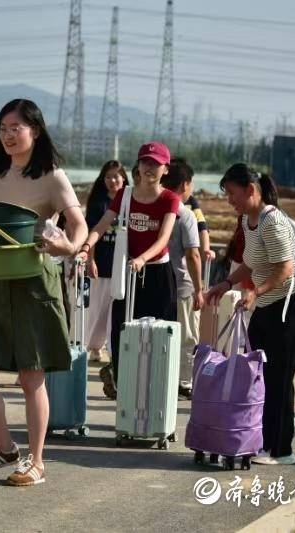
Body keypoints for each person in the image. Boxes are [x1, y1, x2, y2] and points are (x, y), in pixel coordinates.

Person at [0, 99, 87, 487]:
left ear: (35, 130)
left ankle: (36, 462)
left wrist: (69, 248)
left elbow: (78, 224)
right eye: (2, 128)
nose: (7, 135)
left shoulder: (53, 176)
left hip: (35, 282)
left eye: (15, 128)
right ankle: (5, 447)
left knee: (30, 379)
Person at [207, 164, 295, 465]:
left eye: (232, 194)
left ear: (251, 190)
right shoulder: (247, 220)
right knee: (257, 375)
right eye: (226, 195)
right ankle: (270, 435)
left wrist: (256, 292)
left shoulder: (272, 222)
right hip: (265, 306)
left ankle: (282, 450)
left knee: (279, 379)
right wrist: (225, 283)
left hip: (288, 307)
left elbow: (286, 269)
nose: (229, 200)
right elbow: (251, 263)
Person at [78, 141, 180, 400]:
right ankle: (124, 385)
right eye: (145, 162)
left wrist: (143, 258)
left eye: (155, 164)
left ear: (165, 169)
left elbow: (163, 238)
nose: (149, 168)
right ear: (138, 165)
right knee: (122, 331)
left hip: (157, 273)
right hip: (129, 274)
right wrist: (87, 247)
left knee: (160, 336)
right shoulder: (125, 194)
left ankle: (159, 394)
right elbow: (101, 225)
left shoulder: (170, 198)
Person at [161, 158, 204, 399]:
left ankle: (160, 376)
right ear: (185, 184)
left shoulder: (153, 207)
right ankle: (184, 381)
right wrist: (199, 289)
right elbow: (193, 254)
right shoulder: (183, 213)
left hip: (155, 284)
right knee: (187, 337)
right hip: (181, 285)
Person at [84, 160, 129, 363]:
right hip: (102, 263)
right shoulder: (98, 204)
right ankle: (95, 346)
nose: (112, 181)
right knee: (99, 309)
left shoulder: (130, 200)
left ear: (124, 178)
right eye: (108, 177)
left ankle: (115, 349)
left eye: (116, 176)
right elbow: (91, 232)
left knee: (118, 310)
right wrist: (90, 261)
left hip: (123, 265)